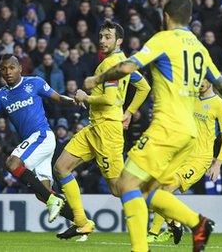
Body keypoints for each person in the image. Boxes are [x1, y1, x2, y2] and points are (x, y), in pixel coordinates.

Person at [83, 0, 222, 251]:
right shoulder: (198, 47)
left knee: (126, 184)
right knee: (150, 192)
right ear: (189, 18)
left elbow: (127, 67)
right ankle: (198, 224)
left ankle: (141, 248)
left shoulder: (163, 39)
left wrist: (97, 80)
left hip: (167, 128)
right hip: (189, 135)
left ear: (166, 15)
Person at [54, 21, 151, 241]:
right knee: (61, 167)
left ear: (119, 40)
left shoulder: (111, 65)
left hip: (107, 130)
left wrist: (85, 97)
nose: (102, 41)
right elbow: (144, 87)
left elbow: (108, 99)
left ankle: (164, 209)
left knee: (119, 189)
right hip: (95, 127)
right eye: (101, 36)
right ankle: (82, 223)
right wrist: (129, 112)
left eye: (108, 37)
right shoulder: (123, 63)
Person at [0, 54, 79, 223]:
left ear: (20, 68)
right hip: (35, 143)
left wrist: (74, 101)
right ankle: (80, 221)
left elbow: (58, 98)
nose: (8, 72)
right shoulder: (1, 95)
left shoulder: (35, 83)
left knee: (12, 163)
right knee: (43, 193)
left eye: (11, 67)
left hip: (42, 135)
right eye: (3, 69)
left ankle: (55, 200)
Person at [147, 79, 222, 244]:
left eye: (204, 79)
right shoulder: (190, 97)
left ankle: (157, 231)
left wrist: (218, 163)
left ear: (211, 81)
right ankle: (173, 224)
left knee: (165, 189)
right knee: (154, 189)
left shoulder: (220, 105)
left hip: (200, 159)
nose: (200, 82)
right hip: (181, 154)